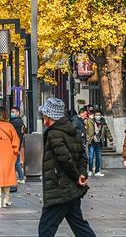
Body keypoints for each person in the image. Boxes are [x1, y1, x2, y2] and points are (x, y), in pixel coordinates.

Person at [38, 97, 95, 237]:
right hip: (71, 189)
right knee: (79, 226)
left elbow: (65, 159)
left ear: (50, 116)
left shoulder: (54, 133)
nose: (44, 119)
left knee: (46, 228)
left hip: (59, 189)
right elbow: (83, 155)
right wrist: (82, 174)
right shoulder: (72, 130)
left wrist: (77, 177)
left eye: (44, 115)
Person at [85, 109, 112, 177]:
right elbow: (86, 130)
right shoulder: (90, 121)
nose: (98, 116)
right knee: (91, 157)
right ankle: (90, 171)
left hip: (99, 142)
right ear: (94, 115)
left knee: (98, 158)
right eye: (96, 115)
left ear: (101, 115)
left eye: (99, 115)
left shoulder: (103, 122)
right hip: (92, 142)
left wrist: (110, 138)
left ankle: (97, 171)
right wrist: (88, 138)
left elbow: (107, 131)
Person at [10, 107, 26, 184]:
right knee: (16, 162)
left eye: (13, 112)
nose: (12, 113)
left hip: (15, 145)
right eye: (11, 112)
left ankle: (21, 177)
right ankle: (21, 177)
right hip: (17, 145)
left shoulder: (15, 122)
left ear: (18, 113)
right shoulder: (20, 121)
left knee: (16, 163)